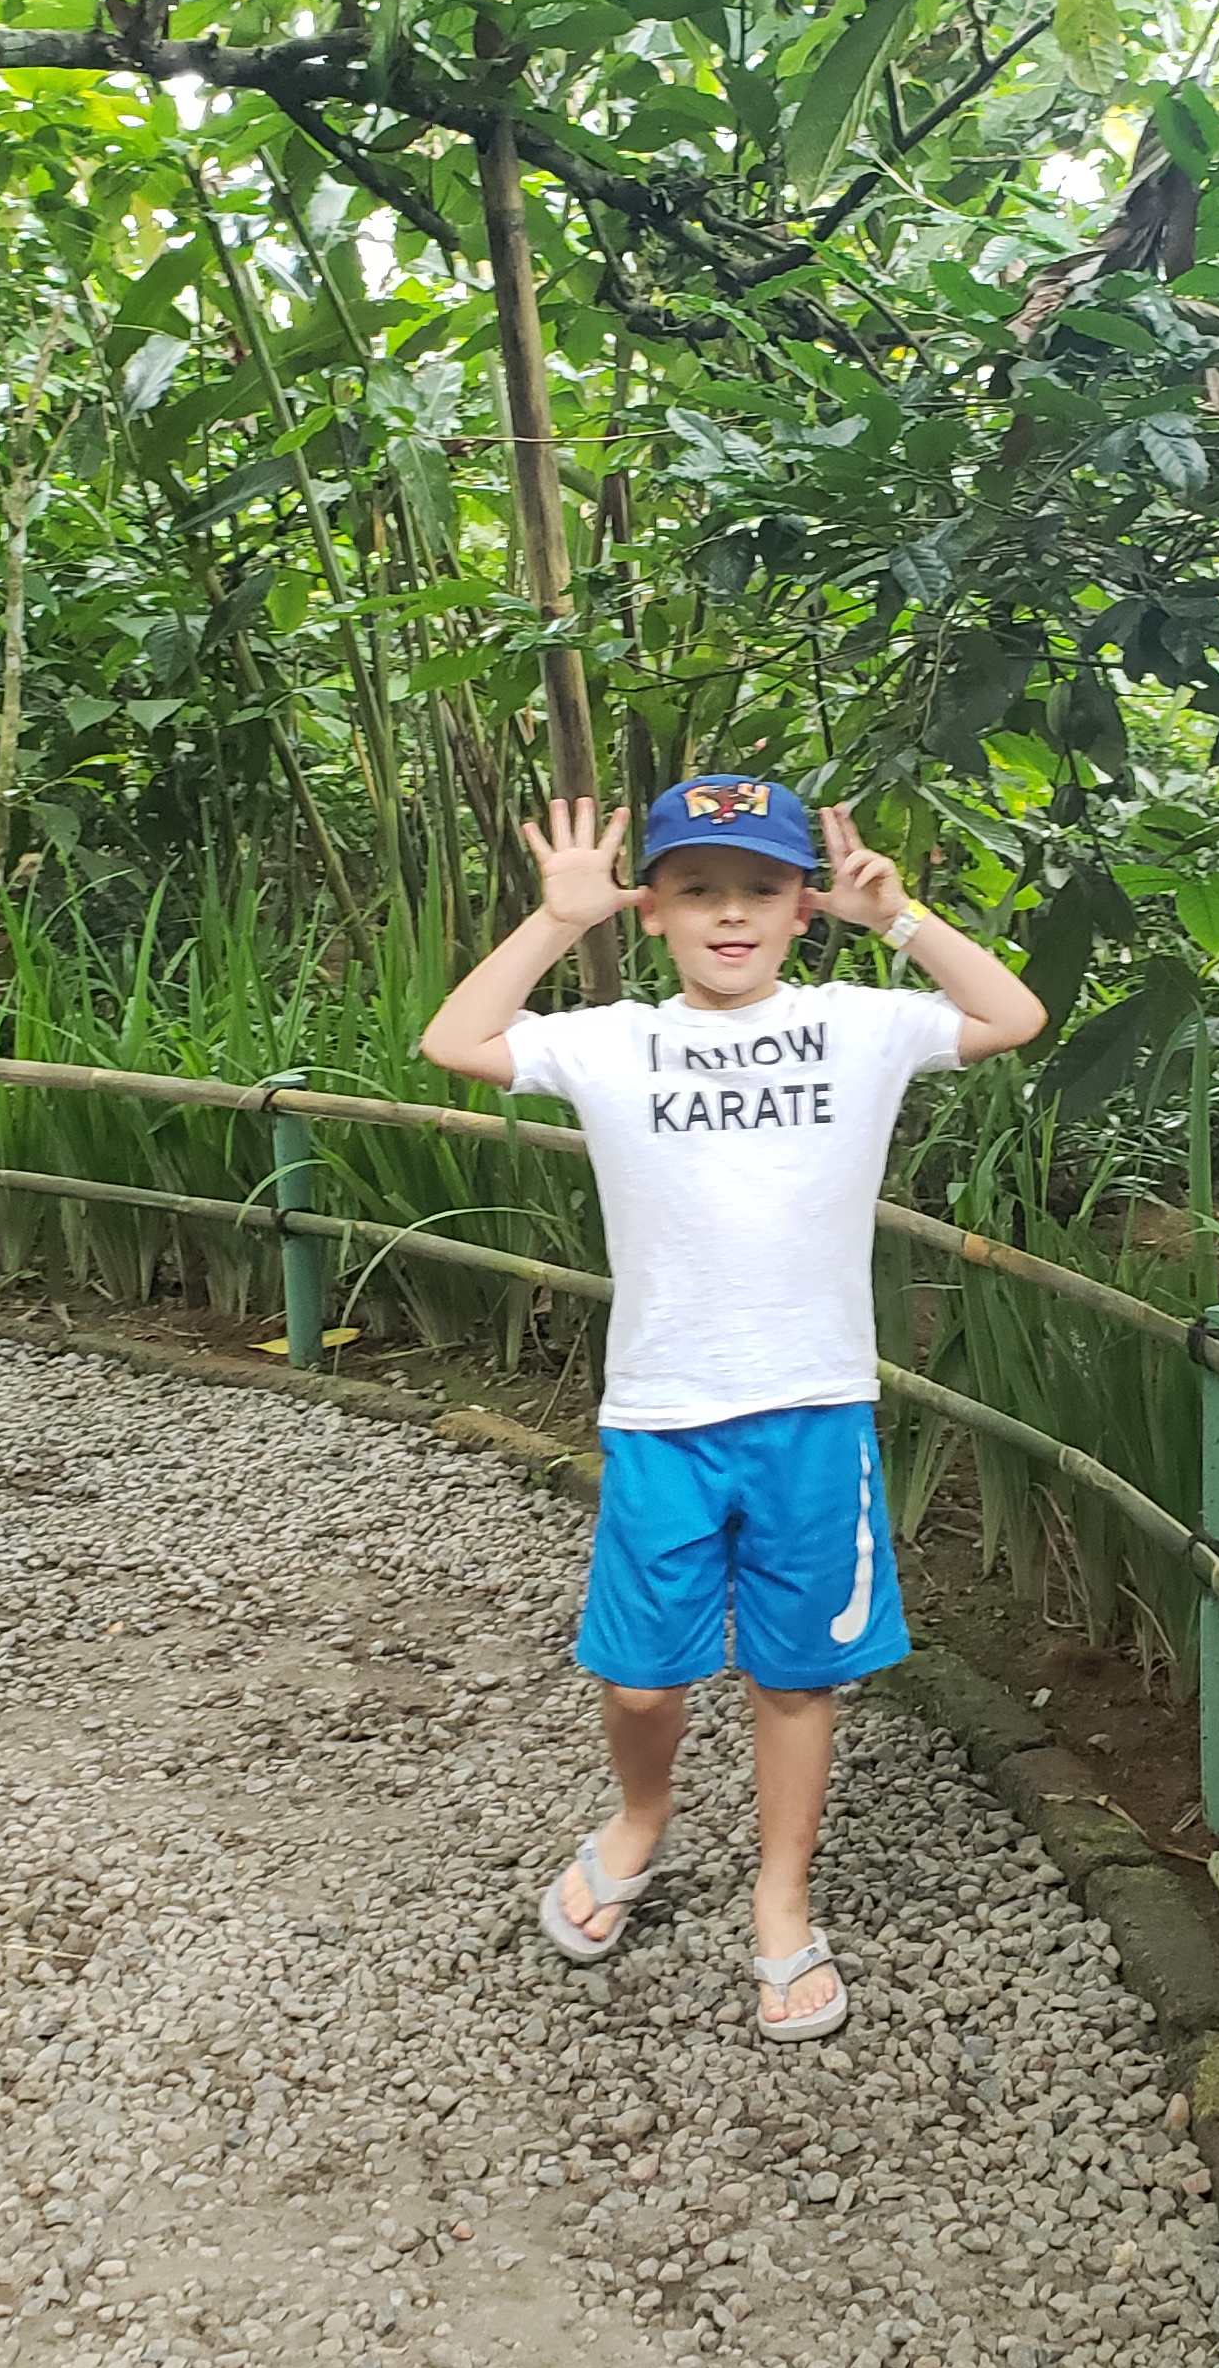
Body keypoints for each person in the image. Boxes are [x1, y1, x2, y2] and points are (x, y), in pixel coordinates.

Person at [419, 779, 1047, 2039]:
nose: (728, 915)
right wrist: (555, 923)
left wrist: (904, 918)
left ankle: (781, 1897)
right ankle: (639, 1817)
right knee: (643, 1680)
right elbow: (457, 1042)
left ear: (800, 908)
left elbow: (1013, 1014)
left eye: (759, 889)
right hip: (662, 1412)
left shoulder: (858, 1025)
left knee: (793, 1679)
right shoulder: (611, 1040)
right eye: (697, 890)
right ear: (651, 910)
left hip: (814, 1408)